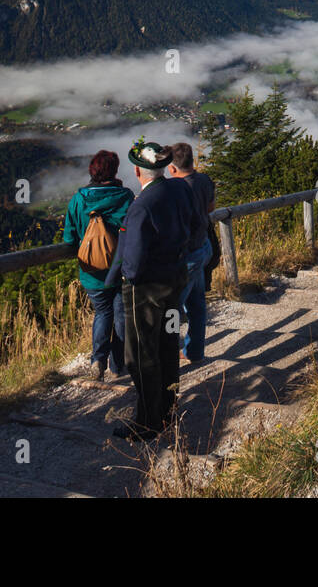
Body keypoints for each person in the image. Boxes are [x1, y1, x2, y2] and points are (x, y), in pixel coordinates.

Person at [111, 139, 204, 442]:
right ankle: (168, 409)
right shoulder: (180, 189)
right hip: (175, 278)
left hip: (146, 289)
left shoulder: (142, 207)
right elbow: (195, 227)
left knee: (140, 355)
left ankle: (147, 421)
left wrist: (126, 279)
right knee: (167, 345)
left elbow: (134, 262)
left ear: (138, 171)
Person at [62, 150, 135, 382]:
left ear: (92, 171)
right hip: (121, 268)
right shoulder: (125, 196)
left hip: (91, 272)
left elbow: (69, 239)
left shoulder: (78, 199)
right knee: (121, 314)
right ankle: (118, 365)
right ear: (114, 171)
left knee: (102, 313)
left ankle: (97, 361)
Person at [168, 142, 215, 365]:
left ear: (173, 168)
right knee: (197, 305)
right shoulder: (204, 180)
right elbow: (211, 208)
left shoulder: (174, 190)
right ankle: (194, 351)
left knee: (172, 308)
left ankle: (169, 353)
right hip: (203, 247)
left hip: (186, 255)